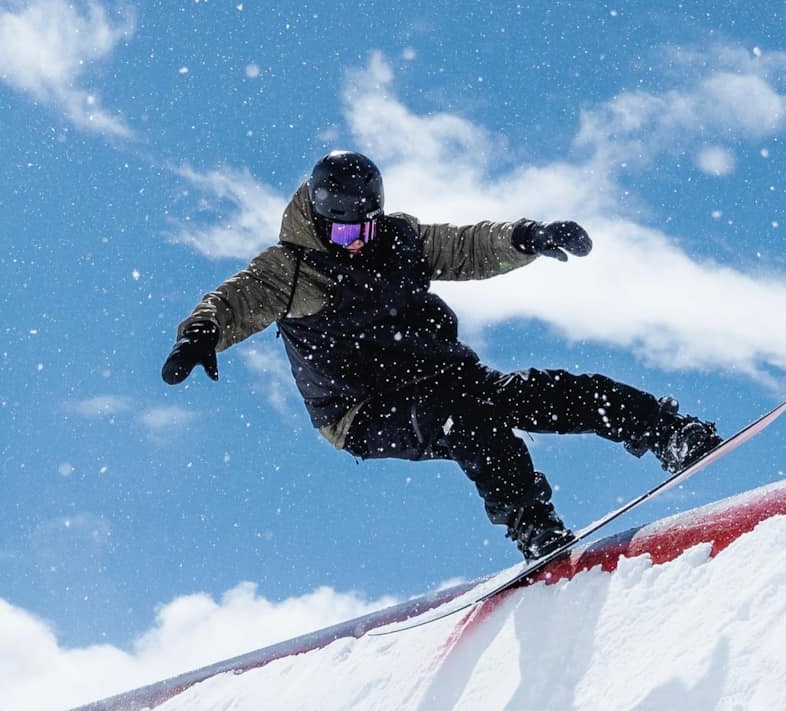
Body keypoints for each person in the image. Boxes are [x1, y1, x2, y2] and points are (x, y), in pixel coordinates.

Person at [162, 151, 723, 560]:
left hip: (446, 374)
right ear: (318, 218)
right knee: (463, 419)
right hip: (364, 411)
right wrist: (200, 334)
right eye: (341, 231)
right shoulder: (291, 269)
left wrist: (526, 236)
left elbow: (465, 245)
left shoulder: (400, 239)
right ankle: (534, 527)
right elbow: (236, 298)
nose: (355, 241)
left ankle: (666, 432)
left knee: (545, 391)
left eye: (364, 227)